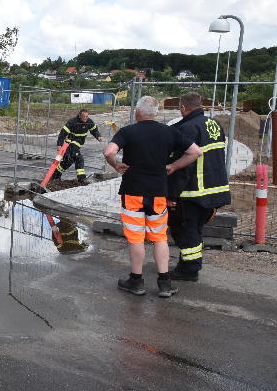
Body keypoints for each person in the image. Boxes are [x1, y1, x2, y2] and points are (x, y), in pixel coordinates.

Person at [103, 96, 201, 298]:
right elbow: (195, 152)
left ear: (138, 112)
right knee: (159, 237)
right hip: (158, 194)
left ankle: (136, 281)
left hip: (133, 193)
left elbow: (108, 152)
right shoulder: (169, 131)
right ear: (156, 113)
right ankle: (164, 283)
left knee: (136, 237)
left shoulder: (127, 131)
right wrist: (173, 166)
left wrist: (116, 165)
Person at [167, 92, 231, 282]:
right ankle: (187, 264)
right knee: (195, 228)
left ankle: (189, 269)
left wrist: (171, 193)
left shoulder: (187, 128)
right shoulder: (215, 124)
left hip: (194, 190)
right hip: (215, 188)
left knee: (183, 228)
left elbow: (185, 165)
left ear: (183, 107)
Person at [52, 109, 103, 183]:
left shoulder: (89, 121)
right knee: (79, 158)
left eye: (87, 116)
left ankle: (55, 176)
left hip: (78, 144)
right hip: (69, 144)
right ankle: (82, 179)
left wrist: (98, 136)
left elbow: (94, 130)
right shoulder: (72, 122)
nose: (85, 118)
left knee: (68, 161)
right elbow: (62, 134)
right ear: (79, 116)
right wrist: (59, 144)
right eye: (84, 116)